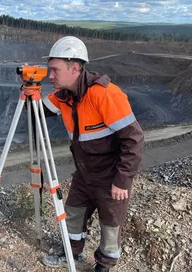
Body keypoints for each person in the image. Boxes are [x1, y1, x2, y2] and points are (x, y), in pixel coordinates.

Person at [34, 36, 144, 271]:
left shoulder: (105, 95)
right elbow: (37, 110)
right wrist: (28, 90)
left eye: (54, 70)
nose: (50, 76)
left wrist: (122, 181)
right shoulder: (64, 96)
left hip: (110, 176)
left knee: (110, 224)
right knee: (73, 213)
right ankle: (71, 254)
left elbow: (134, 139)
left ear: (74, 68)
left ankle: (104, 264)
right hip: (84, 174)